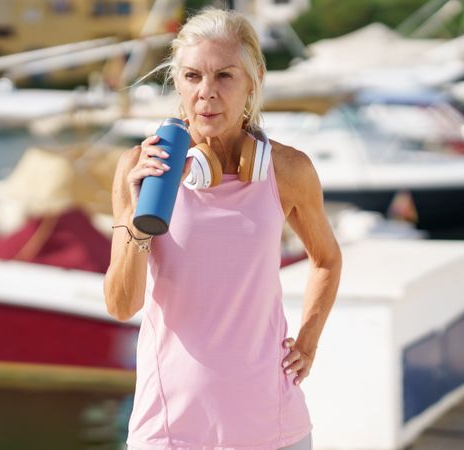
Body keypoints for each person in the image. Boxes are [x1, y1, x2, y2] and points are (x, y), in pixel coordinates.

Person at [104, 8, 342, 450]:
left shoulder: (289, 170)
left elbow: (326, 259)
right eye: (193, 76)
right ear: (177, 81)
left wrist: (307, 341)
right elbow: (122, 304)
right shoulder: (139, 169)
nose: (206, 93)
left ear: (254, 78)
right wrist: (139, 218)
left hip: (273, 427)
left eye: (224, 76)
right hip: (169, 430)